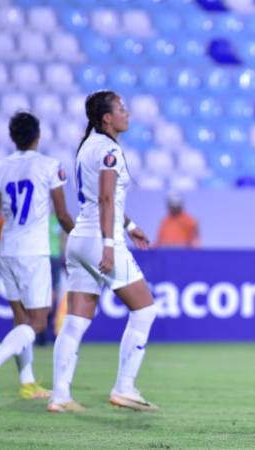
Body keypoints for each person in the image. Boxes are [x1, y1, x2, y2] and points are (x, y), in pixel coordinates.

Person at [48, 90, 158, 413]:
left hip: (79, 240)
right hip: (100, 240)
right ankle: (124, 387)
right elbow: (107, 199)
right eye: (121, 108)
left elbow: (100, 199)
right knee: (145, 310)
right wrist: (110, 243)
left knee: (75, 321)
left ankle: (60, 396)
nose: (127, 113)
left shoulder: (87, 147)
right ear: (107, 118)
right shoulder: (109, 150)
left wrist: (130, 225)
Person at [0, 112, 74, 400]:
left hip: (6, 249)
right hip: (34, 252)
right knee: (38, 322)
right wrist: (80, 238)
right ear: (39, 135)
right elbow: (61, 214)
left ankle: (27, 384)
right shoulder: (49, 166)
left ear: (13, 137)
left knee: (20, 320)